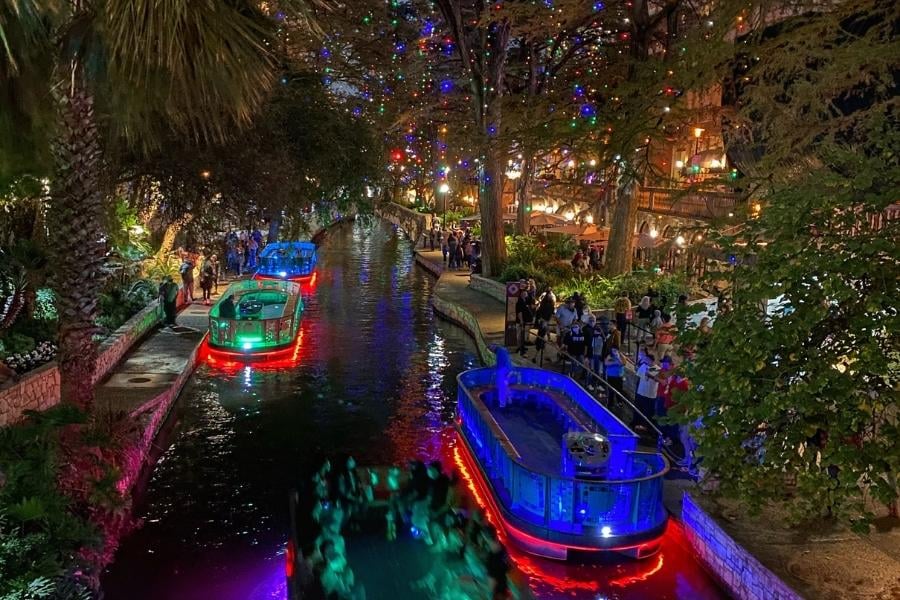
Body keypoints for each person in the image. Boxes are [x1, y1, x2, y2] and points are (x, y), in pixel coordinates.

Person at [483, 528, 510, 599]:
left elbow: (491, 587)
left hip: (499, 592)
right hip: (504, 586)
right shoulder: (503, 548)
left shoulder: (491, 560)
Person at [634, 354, 660, 430]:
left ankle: (646, 426)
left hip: (650, 394)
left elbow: (647, 375)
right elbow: (639, 375)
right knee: (639, 408)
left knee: (647, 411)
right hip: (641, 392)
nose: (645, 361)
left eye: (647, 359)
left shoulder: (656, 368)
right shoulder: (643, 366)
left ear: (651, 360)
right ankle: (637, 422)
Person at [584, 315, 605, 388]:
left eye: (593, 320)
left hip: (598, 354)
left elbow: (604, 340)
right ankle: (589, 384)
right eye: (590, 320)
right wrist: (585, 356)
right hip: (590, 354)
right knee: (590, 370)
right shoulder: (585, 329)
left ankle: (597, 384)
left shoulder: (598, 328)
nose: (592, 321)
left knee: (598, 371)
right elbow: (585, 344)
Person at [515, 288, 535, 357]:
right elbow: (519, 313)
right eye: (525, 293)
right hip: (521, 322)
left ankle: (521, 347)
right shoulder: (520, 302)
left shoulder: (524, 301)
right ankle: (520, 350)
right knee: (520, 336)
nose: (526, 294)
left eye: (526, 293)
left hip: (524, 322)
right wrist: (521, 321)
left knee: (522, 336)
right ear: (522, 294)